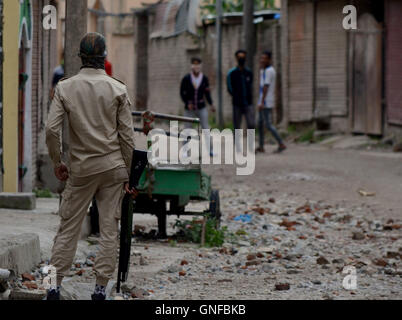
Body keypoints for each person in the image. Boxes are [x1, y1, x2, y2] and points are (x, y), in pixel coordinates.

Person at [45, 32, 137, 300]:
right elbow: (127, 138)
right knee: (109, 230)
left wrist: (56, 161)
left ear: (80, 57)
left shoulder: (65, 87)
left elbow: (52, 129)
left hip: (81, 170)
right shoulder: (118, 89)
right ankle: (100, 291)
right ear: (104, 57)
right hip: (113, 169)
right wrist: (131, 175)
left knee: (67, 230)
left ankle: (52, 287)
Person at [180, 57, 215, 156]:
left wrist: (211, 104)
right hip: (189, 108)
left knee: (206, 128)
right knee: (187, 129)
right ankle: (185, 150)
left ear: (200, 66)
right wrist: (187, 102)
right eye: (194, 64)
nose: (196, 66)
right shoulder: (186, 78)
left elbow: (207, 93)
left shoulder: (204, 79)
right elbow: (182, 93)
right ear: (191, 66)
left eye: (198, 64)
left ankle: (210, 150)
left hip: (201, 106)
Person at [256, 51, 286, 153]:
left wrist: (262, 102)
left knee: (267, 124)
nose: (262, 60)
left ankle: (281, 143)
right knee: (260, 123)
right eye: (261, 58)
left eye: (265, 58)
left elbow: (266, 87)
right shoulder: (263, 71)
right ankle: (261, 146)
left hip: (266, 101)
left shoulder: (269, 71)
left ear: (269, 59)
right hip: (263, 100)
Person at [227, 50, 255, 151]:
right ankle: (237, 146)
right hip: (237, 104)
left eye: (243, 57)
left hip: (248, 103)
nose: (241, 59)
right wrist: (236, 96)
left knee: (251, 124)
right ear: (236, 58)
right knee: (237, 125)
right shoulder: (232, 73)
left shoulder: (249, 72)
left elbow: (250, 85)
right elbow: (229, 88)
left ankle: (251, 146)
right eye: (239, 57)